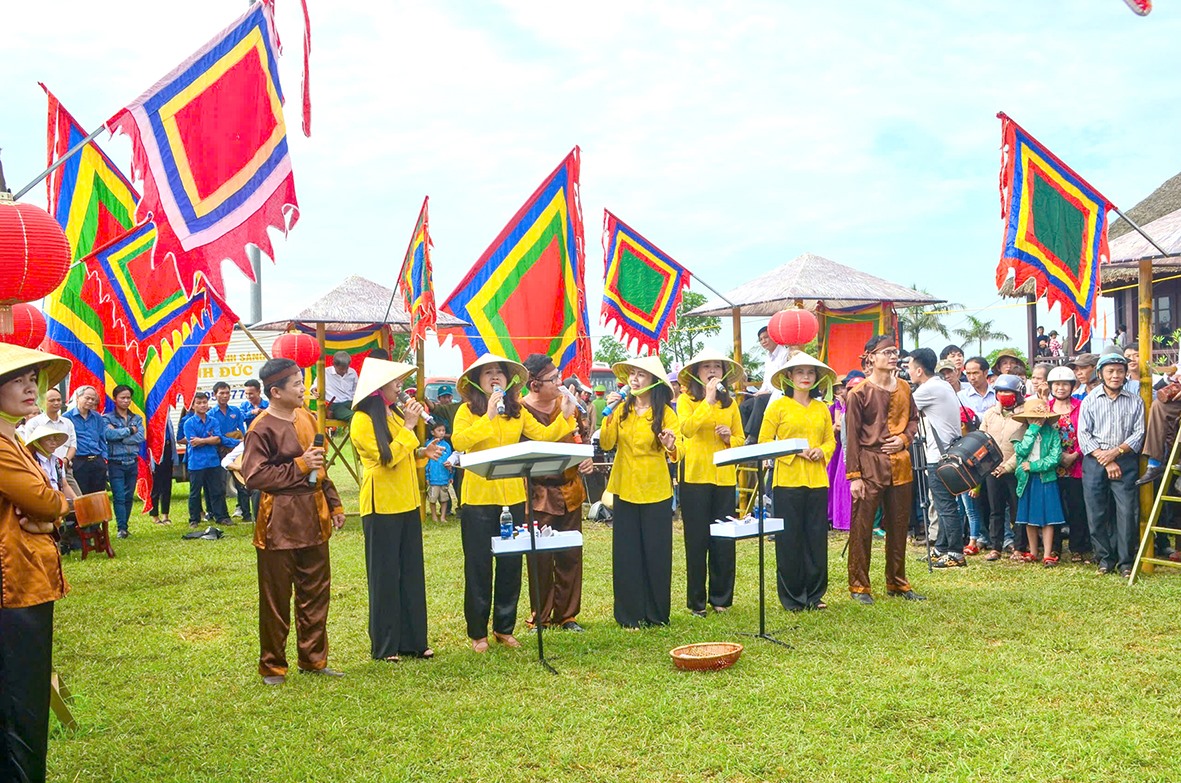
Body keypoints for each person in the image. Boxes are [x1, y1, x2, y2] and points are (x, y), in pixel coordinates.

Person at [451, 354, 577, 652]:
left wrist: (566, 415)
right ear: (476, 381)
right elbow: (459, 442)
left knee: (510, 564)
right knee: (479, 565)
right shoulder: (467, 411)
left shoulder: (517, 411)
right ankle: (478, 633)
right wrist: (489, 417)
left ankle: (504, 628)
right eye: (488, 373)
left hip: (514, 497)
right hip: (479, 498)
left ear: (509, 380)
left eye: (500, 373)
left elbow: (544, 436)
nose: (495, 377)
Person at [241, 358, 348, 685]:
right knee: (275, 599)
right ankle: (273, 665)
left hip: (314, 518)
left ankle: (314, 660)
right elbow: (254, 476)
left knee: (316, 594)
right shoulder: (260, 427)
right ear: (275, 392)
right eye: (297, 385)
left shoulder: (306, 417)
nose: (304, 389)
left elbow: (320, 467)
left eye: (303, 382)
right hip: (279, 524)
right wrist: (299, 465)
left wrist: (334, 502)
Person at [0, 344, 72, 783]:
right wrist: (59, 505)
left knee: (23, 699)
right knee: (18, 702)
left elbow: (43, 510)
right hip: (13, 584)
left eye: (33, 380)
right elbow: (43, 499)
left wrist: (50, 518)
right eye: (17, 380)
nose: (31, 388)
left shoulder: (14, 438)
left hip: (27, 577)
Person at [349, 358, 441, 662]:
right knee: (385, 575)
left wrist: (422, 452)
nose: (401, 389)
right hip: (381, 505)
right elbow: (386, 458)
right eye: (396, 384)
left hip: (407, 501)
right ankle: (386, 645)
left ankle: (414, 641)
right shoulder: (362, 420)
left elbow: (402, 452)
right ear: (378, 389)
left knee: (411, 572)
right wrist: (410, 426)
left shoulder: (393, 413)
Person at [601, 355, 680, 628]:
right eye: (632, 374)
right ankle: (628, 615)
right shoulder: (621, 410)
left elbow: (677, 451)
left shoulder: (667, 413)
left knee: (656, 553)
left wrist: (669, 443)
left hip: (655, 489)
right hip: (624, 487)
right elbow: (608, 443)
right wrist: (609, 414)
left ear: (653, 382)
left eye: (641, 375)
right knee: (626, 553)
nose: (634, 379)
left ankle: (656, 614)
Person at [844, 335, 923, 603]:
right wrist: (854, 476)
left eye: (895, 351)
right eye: (886, 352)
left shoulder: (904, 388)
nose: (892, 356)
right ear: (870, 357)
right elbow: (852, 438)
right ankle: (859, 585)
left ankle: (897, 581)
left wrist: (904, 438)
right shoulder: (858, 393)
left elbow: (913, 420)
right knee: (862, 526)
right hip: (869, 464)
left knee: (899, 525)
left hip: (900, 463)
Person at [521, 353, 593, 632]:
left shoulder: (571, 407)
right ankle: (541, 614)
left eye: (560, 376)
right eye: (553, 379)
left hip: (570, 489)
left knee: (570, 553)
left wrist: (586, 458)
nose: (560, 383)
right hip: (538, 492)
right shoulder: (521, 411)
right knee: (539, 557)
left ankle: (568, 616)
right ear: (535, 384)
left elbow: (582, 439)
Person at [759, 353, 836, 611]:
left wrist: (821, 452)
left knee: (815, 538)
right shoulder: (778, 407)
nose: (805, 377)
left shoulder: (821, 408)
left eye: (810, 373)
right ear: (789, 377)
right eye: (800, 372)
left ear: (816, 378)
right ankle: (792, 597)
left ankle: (815, 595)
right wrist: (793, 451)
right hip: (786, 480)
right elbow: (764, 442)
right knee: (789, 539)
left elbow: (830, 441)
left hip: (816, 480)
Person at [676, 348, 744, 617]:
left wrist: (729, 438)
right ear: (697, 373)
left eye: (717, 367)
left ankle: (722, 599)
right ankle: (696, 602)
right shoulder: (686, 401)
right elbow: (688, 429)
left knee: (724, 541)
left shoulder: (732, 404)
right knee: (697, 540)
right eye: (706, 368)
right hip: (695, 477)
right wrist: (708, 400)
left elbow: (741, 440)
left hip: (724, 478)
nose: (713, 371)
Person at [1078, 353, 1144, 578]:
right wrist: (1105, 459)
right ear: (1101, 374)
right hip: (1095, 460)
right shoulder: (1090, 400)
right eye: (1110, 371)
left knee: (1127, 512)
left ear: (1126, 374)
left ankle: (1126, 562)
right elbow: (1083, 434)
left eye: (1119, 371)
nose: (1115, 375)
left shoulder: (1135, 400)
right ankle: (1104, 559)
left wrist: (1115, 453)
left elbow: (1139, 433)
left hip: (1124, 459)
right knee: (1096, 511)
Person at [907, 348, 968, 568]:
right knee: (944, 503)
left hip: (938, 457)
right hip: (947, 452)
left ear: (920, 370)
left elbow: (902, 408)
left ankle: (955, 553)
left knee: (945, 506)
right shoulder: (942, 384)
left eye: (910, 368)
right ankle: (941, 547)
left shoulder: (928, 389)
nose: (909, 372)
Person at [1011, 399, 1065, 565]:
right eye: (1032, 418)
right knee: (1028, 516)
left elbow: (1055, 457)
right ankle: (1033, 551)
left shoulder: (1052, 433)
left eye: (1039, 418)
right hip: (1026, 479)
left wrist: (1034, 466)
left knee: (1048, 516)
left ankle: (1048, 553)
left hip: (1046, 477)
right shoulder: (1020, 433)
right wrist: (1032, 430)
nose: (1036, 421)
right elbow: (1021, 450)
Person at [980, 374, 1026, 561]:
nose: (1004, 395)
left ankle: (1019, 547)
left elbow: (1024, 446)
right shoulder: (990, 413)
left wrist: (1008, 466)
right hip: (992, 469)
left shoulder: (1024, 414)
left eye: (1009, 392)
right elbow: (982, 438)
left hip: (1015, 469)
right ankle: (995, 546)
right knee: (995, 510)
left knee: (1017, 511)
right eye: (1000, 392)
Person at [1047, 366, 1090, 562]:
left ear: (1073, 386)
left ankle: (1077, 548)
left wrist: (1075, 454)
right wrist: (1056, 456)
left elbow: (1087, 433)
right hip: (1051, 467)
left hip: (1077, 466)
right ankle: (1054, 547)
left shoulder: (1082, 406)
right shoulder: (1044, 408)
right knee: (1054, 508)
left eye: (1065, 384)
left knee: (1077, 508)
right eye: (1057, 384)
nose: (1061, 388)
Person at [182, 392, 235, 528]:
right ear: (193, 406)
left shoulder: (213, 421)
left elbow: (218, 439)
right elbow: (193, 442)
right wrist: (207, 440)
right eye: (198, 403)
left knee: (217, 490)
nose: (202, 405)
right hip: (196, 463)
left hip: (213, 461)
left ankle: (221, 516)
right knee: (195, 492)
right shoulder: (189, 423)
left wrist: (202, 440)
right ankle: (194, 519)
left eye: (204, 402)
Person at [103, 384, 146, 538]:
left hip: (132, 461)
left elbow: (140, 437)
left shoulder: (137, 418)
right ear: (115, 399)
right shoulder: (107, 418)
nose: (126, 400)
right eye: (123, 398)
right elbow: (109, 435)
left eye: (128, 398)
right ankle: (121, 528)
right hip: (116, 462)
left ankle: (125, 526)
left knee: (128, 496)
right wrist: (129, 431)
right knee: (119, 496)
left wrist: (121, 437)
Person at [25, 388, 78, 495]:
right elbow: (29, 447)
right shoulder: (33, 423)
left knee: (77, 501)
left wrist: (65, 460)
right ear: (43, 402)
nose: (56, 403)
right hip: (39, 469)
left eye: (59, 400)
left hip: (63, 468)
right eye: (52, 400)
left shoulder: (67, 423)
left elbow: (73, 445)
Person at [828, 371, 863, 532]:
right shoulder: (841, 407)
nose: (841, 392)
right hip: (846, 450)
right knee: (842, 484)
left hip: (860, 450)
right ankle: (842, 520)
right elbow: (840, 429)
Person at [211, 381, 249, 522]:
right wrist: (234, 441)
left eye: (227, 393)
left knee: (241, 482)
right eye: (221, 393)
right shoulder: (211, 414)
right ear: (215, 395)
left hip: (236, 451)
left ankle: (246, 513)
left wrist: (242, 443)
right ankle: (221, 515)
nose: (225, 396)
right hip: (218, 451)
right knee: (219, 485)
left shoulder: (236, 411)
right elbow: (217, 436)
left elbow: (241, 430)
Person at [63, 385, 107, 495]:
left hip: (97, 461)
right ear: (77, 397)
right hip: (79, 461)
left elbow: (102, 438)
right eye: (87, 398)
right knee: (82, 496)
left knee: (98, 497)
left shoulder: (97, 417)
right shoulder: (67, 418)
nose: (90, 401)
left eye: (93, 399)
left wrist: (104, 458)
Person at [424, 421, 453, 522]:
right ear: (432, 432)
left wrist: (451, 476)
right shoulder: (428, 445)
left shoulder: (447, 446)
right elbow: (426, 463)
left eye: (443, 431)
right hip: (433, 477)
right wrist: (427, 476)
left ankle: (443, 516)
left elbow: (450, 461)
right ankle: (434, 516)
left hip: (444, 477)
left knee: (444, 498)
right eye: (439, 430)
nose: (441, 433)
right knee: (433, 498)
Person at [150, 417, 177, 525]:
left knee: (167, 486)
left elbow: (172, 439)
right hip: (156, 454)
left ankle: (165, 515)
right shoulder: (153, 417)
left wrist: (174, 458)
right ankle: (155, 515)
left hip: (168, 451)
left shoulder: (168, 419)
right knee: (156, 487)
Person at [320, 351, 359, 421]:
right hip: (335, 405)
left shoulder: (352, 372)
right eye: (341, 369)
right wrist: (315, 391)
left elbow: (356, 390)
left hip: (351, 403)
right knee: (355, 417)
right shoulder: (325, 373)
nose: (344, 371)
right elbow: (314, 388)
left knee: (368, 413)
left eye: (346, 368)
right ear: (334, 365)